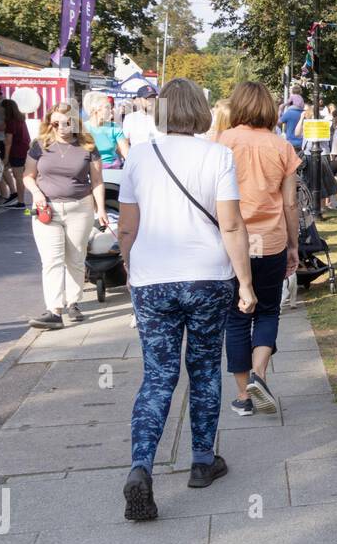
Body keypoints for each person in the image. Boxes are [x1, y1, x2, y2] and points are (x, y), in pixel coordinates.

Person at [116, 78, 256, 520]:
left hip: (153, 279)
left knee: (157, 376)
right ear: (200, 110)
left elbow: (126, 226)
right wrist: (246, 283)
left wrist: (129, 265)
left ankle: (141, 466)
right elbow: (231, 226)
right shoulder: (217, 156)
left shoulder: (138, 157)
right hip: (206, 278)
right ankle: (201, 460)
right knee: (203, 369)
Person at [214, 82, 301, 417]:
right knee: (267, 310)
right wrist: (294, 245)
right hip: (271, 240)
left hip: (231, 240)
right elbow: (290, 204)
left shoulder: (220, 143)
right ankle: (259, 374)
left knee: (236, 316)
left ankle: (242, 396)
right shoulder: (281, 148)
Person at [24, 102, 109, 329]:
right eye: (57, 122)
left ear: (76, 122)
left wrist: (100, 209)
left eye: (68, 122)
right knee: (52, 260)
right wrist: (36, 193)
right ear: (50, 122)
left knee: (76, 256)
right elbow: (28, 175)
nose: (62, 127)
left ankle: (73, 302)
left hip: (79, 207)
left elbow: (97, 181)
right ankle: (54, 310)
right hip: (47, 210)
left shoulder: (88, 146)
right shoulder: (39, 145)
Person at [1, 98, 31, 209]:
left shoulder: (11, 122)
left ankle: (20, 201)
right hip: (24, 149)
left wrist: (6, 158)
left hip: (16, 151)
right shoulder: (20, 119)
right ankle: (18, 198)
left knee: (18, 177)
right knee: (20, 176)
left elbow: (8, 142)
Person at [85, 92, 129, 169]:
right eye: (107, 107)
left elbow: (127, 154)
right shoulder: (82, 129)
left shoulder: (115, 128)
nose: (111, 110)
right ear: (96, 109)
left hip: (112, 171)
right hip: (88, 170)